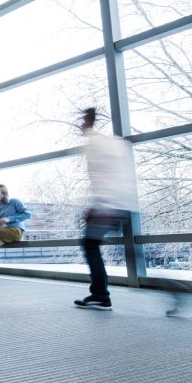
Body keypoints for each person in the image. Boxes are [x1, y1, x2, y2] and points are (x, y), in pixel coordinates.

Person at [74, 108, 139, 310]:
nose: (80, 125)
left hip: (109, 207)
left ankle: (101, 295)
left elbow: (102, 179)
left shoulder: (95, 145)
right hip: (122, 205)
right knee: (130, 252)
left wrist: (100, 206)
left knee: (90, 245)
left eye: (82, 122)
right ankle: (100, 294)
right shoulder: (113, 143)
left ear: (88, 122)